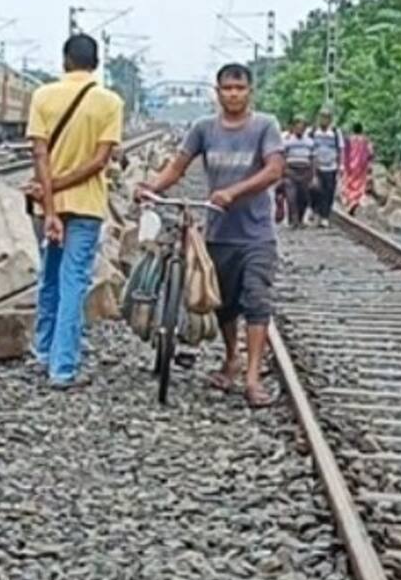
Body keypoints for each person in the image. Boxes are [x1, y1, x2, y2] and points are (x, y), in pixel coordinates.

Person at [140, 63, 285, 406]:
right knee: (224, 306)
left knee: (256, 301)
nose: (233, 94)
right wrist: (151, 188)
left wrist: (233, 193)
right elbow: (177, 167)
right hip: (219, 233)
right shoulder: (203, 128)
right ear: (217, 92)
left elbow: (275, 169)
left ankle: (252, 379)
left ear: (250, 92)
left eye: (240, 88)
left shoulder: (266, 126)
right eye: (227, 88)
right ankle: (231, 358)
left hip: (256, 233)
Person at [25, 33, 126, 388]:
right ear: (96, 64)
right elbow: (100, 161)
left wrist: (50, 200)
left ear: (64, 60)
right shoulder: (110, 102)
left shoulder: (42, 96)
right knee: (73, 283)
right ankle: (62, 368)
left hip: (47, 206)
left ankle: (42, 353)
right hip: (86, 207)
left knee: (49, 278)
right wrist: (67, 185)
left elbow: (39, 154)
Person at [308, 110, 344, 225]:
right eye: (322, 117)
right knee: (315, 191)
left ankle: (325, 216)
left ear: (330, 120)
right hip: (316, 167)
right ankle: (314, 210)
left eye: (326, 118)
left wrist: (341, 165)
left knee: (328, 192)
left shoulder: (335, 133)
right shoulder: (313, 132)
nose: (324, 120)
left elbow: (340, 149)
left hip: (331, 167)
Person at [280, 118, 316, 231]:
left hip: (305, 171)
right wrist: (283, 171)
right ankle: (294, 220)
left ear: (305, 129)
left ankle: (300, 219)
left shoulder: (310, 142)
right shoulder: (287, 141)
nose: (299, 129)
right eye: (297, 127)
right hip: (291, 171)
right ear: (293, 128)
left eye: (302, 127)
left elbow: (313, 158)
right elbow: (282, 156)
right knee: (291, 197)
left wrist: (313, 174)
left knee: (303, 197)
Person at [341, 122, 375, 213]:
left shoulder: (348, 140)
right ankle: (355, 201)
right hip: (361, 167)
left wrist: (344, 164)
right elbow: (370, 153)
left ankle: (349, 201)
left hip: (349, 165)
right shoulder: (365, 140)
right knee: (359, 184)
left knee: (348, 183)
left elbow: (345, 152)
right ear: (361, 130)